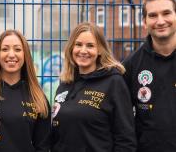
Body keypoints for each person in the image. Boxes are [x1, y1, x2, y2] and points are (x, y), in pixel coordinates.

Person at [51, 22, 136, 152]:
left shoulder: (114, 82)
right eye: (78, 44)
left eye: (90, 46)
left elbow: (126, 140)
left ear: (100, 50)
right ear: (71, 48)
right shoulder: (65, 84)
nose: (83, 51)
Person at [123, 0, 176, 152]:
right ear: (145, 22)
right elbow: (120, 121)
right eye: (153, 15)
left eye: (166, 13)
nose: (160, 21)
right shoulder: (131, 65)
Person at [0, 30, 51, 151]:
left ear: (25, 55)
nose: (11, 54)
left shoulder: (38, 98)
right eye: (5, 49)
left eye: (17, 49)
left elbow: (43, 146)